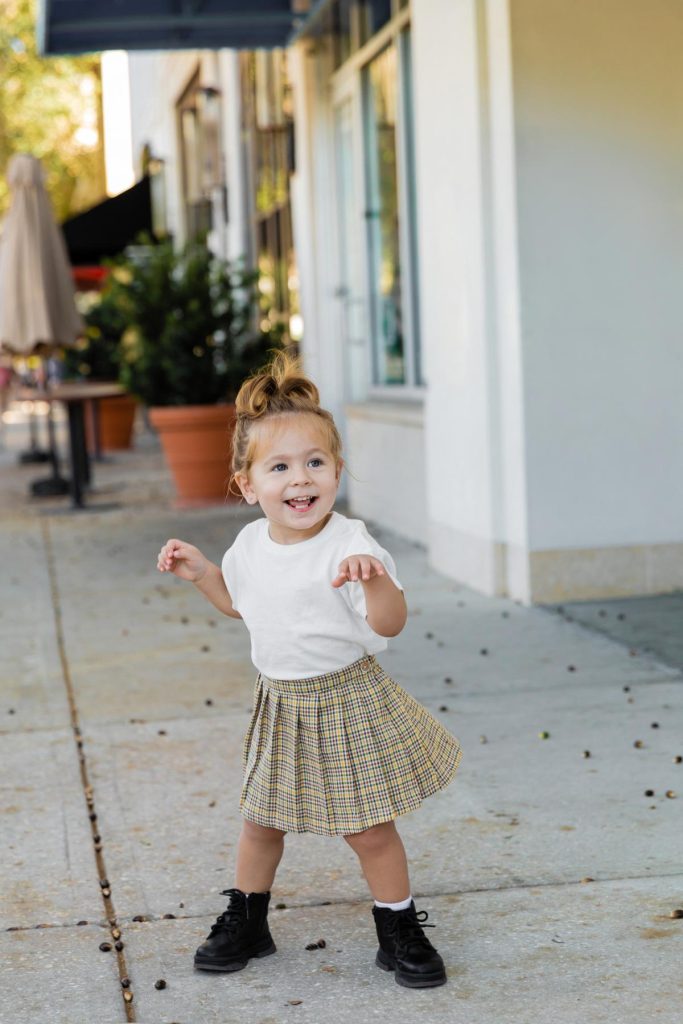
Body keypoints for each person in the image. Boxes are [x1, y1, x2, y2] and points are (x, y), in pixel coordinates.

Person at [156, 351, 462, 988]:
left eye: (315, 463)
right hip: (282, 703)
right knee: (261, 820)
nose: (301, 479)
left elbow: (390, 623)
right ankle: (249, 918)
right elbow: (241, 606)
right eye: (280, 467)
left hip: (347, 700)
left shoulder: (350, 544)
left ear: (337, 471)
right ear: (248, 485)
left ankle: (398, 925)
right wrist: (203, 575)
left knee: (369, 827)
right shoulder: (249, 545)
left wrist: (374, 582)